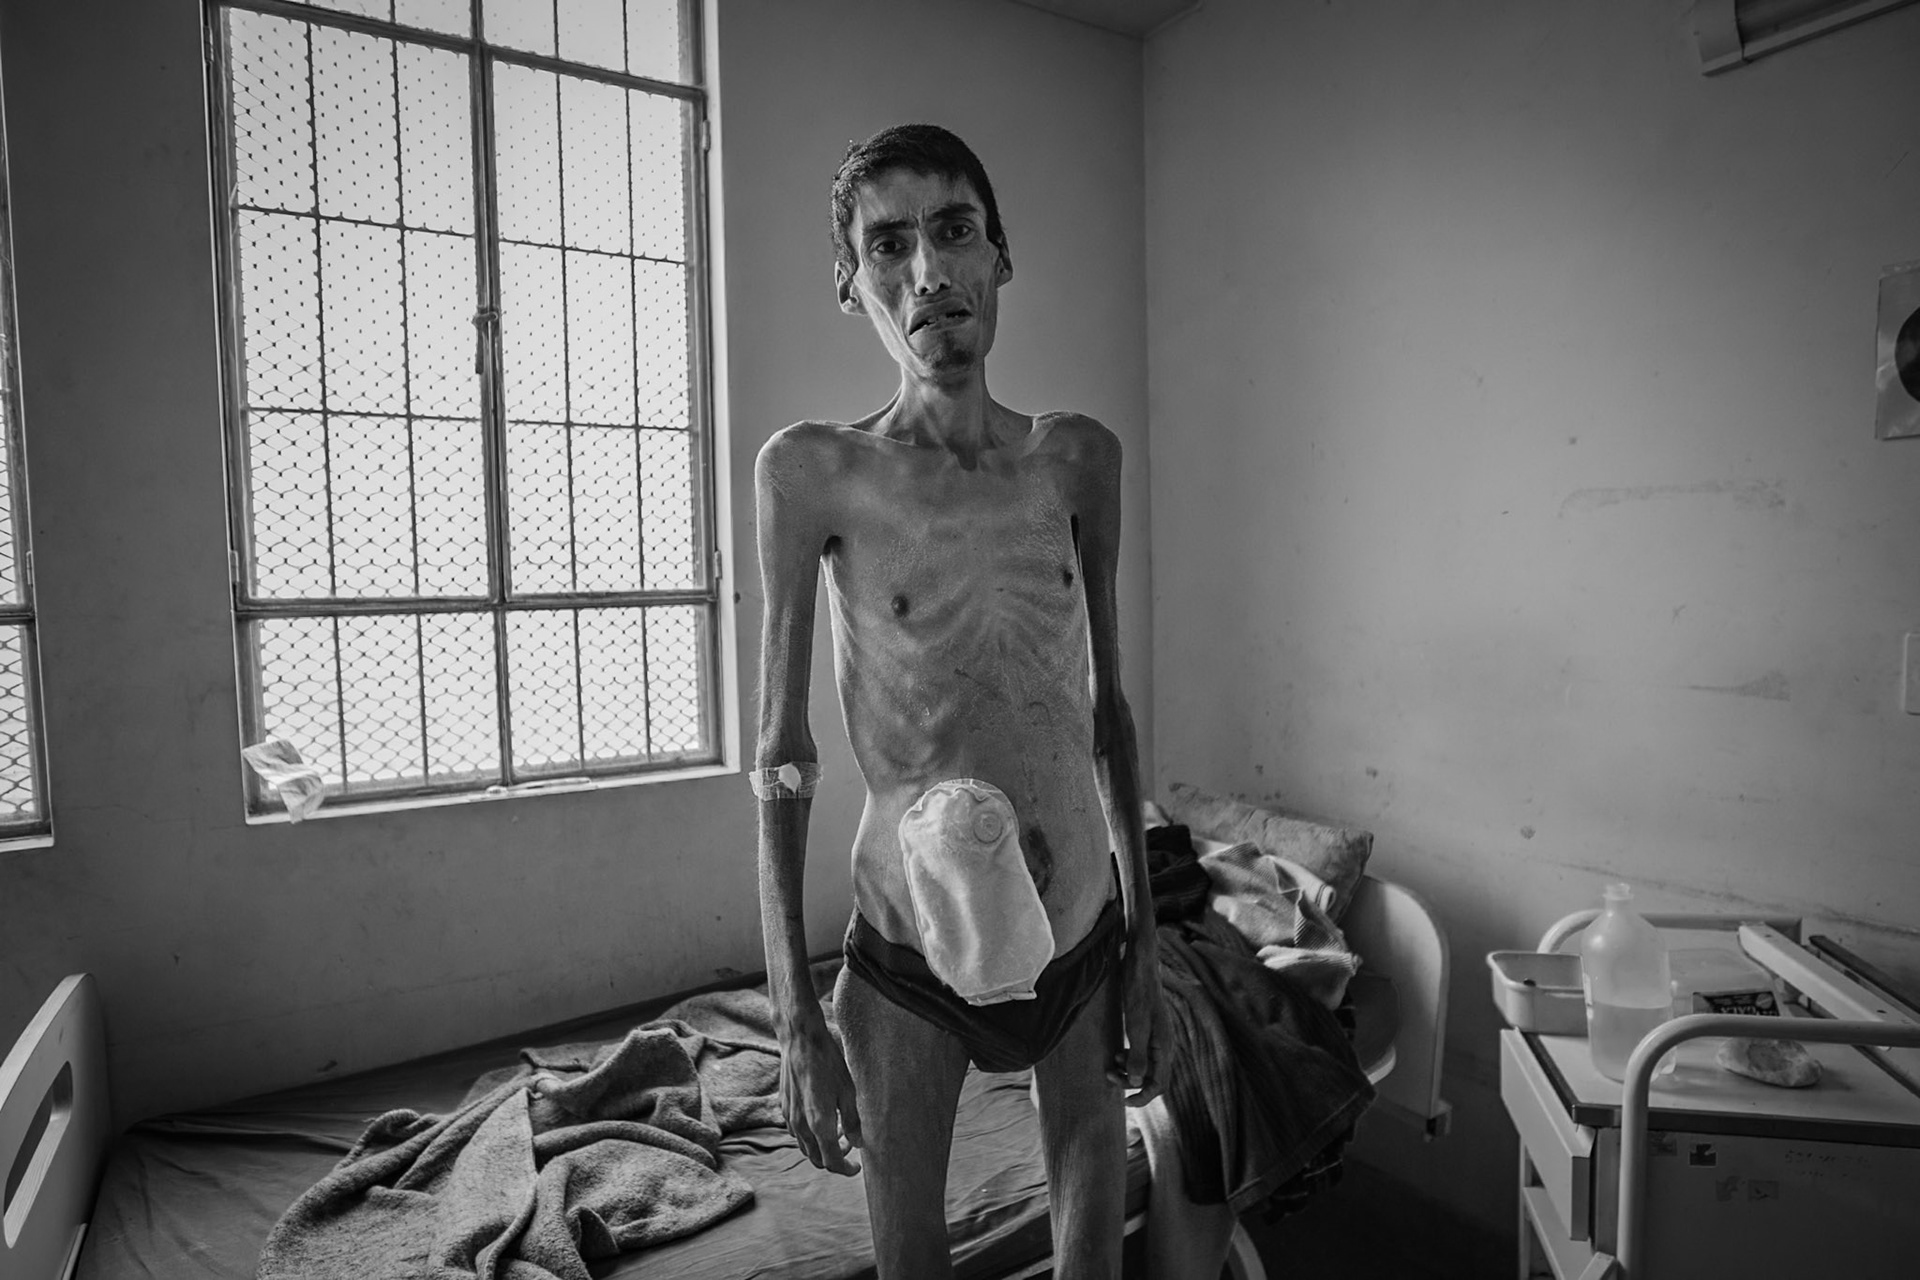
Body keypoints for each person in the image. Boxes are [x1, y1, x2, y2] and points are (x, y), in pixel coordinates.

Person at [751, 122, 1167, 1280]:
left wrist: (1144, 942)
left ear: (998, 254)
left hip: (1080, 927)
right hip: (905, 955)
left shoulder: (1077, 459)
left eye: (953, 230)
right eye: (888, 245)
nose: (928, 271)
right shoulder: (814, 473)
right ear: (852, 282)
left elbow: (1109, 714)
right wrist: (794, 1014)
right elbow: (781, 753)